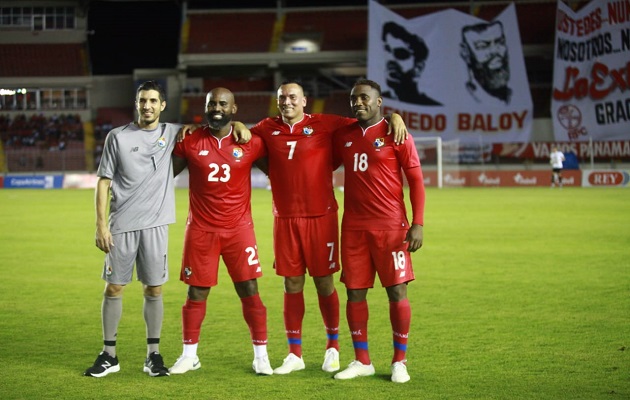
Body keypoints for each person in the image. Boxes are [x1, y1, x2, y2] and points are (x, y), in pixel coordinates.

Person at [84, 81, 251, 378]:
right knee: (114, 288)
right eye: (142, 100)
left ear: (162, 105)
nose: (147, 106)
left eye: (152, 101)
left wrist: (237, 122)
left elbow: (216, 125)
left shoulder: (174, 132)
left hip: (157, 225)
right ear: (136, 104)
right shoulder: (117, 137)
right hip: (121, 224)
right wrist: (100, 225)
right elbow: (103, 181)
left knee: (154, 289)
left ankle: (154, 355)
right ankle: (109, 354)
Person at [250, 81, 408, 375]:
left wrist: (394, 118)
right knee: (291, 284)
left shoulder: (326, 124)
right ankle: (294, 354)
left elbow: (367, 119)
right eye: (282, 97)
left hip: (321, 217)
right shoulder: (266, 127)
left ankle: (332, 348)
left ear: (304, 101)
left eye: (293, 97)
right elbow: (246, 140)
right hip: (284, 218)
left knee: (324, 282)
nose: (287, 102)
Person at [168, 87, 273, 376]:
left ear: (233, 109)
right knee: (196, 291)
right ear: (205, 107)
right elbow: (163, 176)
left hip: (239, 231)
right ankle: (189, 355)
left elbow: (276, 172)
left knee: (250, 290)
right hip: (201, 230)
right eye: (212, 103)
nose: (217, 107)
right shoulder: (189, 140)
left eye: (223, 104)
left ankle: (261, 355)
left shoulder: (250, 142)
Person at [331, 79, 425, 384]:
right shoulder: (343, 134)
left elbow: (417, 181)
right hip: (354, 228)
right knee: (354, 291)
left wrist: (418, 223)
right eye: (354, 99)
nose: (359, 103)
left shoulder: (396, 133)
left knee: (396, 290)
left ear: (379, 101)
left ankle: (400, 361)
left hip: (391, 226)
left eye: (365, 98)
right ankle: (362, 360)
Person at [381, 21, 442, 106]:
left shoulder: (433, 107)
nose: (390, 59)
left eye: (400, 54)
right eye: (386, 50)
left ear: (418, 67)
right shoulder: (373, 105)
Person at [460, 20, 511, 104]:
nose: (495, 50)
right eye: (482, 46)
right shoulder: (462, 98)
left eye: (500, 42)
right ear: (465, 52)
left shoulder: (514, 96)